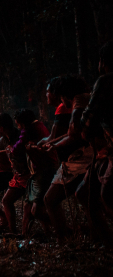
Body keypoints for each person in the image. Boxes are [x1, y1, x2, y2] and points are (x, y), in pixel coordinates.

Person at [43, 76, 92, 240]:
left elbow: (73, 134)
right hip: (85, 157)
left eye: (48, 92)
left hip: (83, 158)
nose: (47, 96)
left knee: (51, 199)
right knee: (86, 196)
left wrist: (54, 145)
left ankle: (65, 239)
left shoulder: (73, 106)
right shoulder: (83, 101)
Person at [75, 41, 113, 243]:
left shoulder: (106, 81)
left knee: (107, 196)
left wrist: (84, 127)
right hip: (107, 149)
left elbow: (88, 118)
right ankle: (102, 239)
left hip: (109, 150)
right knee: (85, 192)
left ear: (103, 62)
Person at [12, 109, 56, 235]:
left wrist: (11, 151)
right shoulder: (40, 125)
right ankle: (25, 233)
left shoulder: (30, 129)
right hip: (38, 170)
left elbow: (18, 147)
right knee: (28, 204)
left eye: (19, 124)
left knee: (36, 209)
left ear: (23, 123)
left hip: (43, 170)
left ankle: (62, 228)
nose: (18, 128)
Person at [0, 114, 29, 234]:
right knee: (7, 201)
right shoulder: (4, 139)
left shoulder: (20, 136)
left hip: (29, 174)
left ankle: (61, 230)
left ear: (1, 128)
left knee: (34, 208)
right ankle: (13, 231)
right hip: (18, 175)